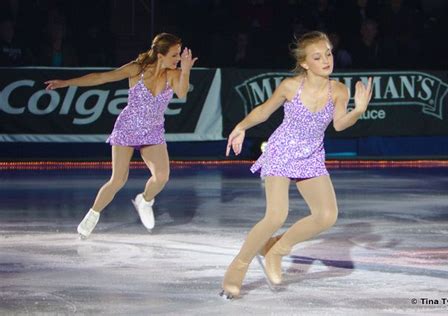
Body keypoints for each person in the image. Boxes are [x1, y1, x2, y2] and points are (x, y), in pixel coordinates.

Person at [221, 31, 372, 299]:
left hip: (312, 154)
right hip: (282, 151)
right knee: (276, 215)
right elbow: (264, 111)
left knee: (326, 215)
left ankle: (275, 251)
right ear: (305, 63)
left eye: (328, 53)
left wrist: (358, 111)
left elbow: (338, 124)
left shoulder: (338, 89)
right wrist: (241, 127)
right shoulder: (291, 86)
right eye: (318, 56)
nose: (326, 60)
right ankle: (238, 268)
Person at [45, 33, 197, 238]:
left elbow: (182, 93)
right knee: (117, 179)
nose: (178, 58)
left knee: (161, 177)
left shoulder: (173, 73)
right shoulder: (137, 69)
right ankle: (93, 214)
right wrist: (66, 83)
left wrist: (186, 70)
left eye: (179, 54)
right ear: (160, 55)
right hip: (127, 128)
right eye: (175, 54)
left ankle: (145, 200)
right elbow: (101, 77)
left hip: (153, 130)